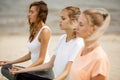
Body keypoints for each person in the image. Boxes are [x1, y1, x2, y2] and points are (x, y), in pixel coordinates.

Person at [9, 6, 84, 80]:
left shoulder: (78, 42)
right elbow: (50, 64)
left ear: (74, 21)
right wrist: (23, 70)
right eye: (60, 18)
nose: (60, 21)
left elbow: (66, 72)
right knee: (20, 75)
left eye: (63, 18)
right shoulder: (62, 38)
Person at [0, 1, 54, 80]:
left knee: (14, 73)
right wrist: (10, 62)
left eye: (32, 12)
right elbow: (30, 55)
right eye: (29, 11)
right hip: (34, 71)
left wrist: (24, 70)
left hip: (44, 74)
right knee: (6, 68)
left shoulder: (45, 31)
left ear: (40, 14)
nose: (29, 14)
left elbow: (41, 60)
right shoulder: (34, 29)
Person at [69, 8, 111, 80]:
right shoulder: (81, 50)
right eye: (78, 23)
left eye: (81, 24)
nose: (76, 27)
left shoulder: (100, 59)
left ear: (93, 29)